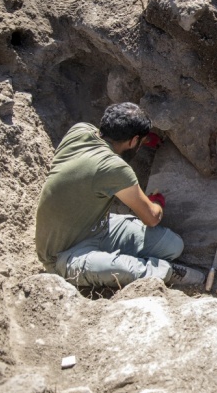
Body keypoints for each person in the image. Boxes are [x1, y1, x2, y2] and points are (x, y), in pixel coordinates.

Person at [35, 102, 204, 288]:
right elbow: (152, 218)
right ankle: (167, 272)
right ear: (133, 141)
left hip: (97, 225)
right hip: (64, 254)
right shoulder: (115, 169)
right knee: (128, 270)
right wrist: (156, 203)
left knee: (172, 246)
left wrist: (145, 140)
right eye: (139, 142)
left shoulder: (79, 131)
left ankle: (135, 261)